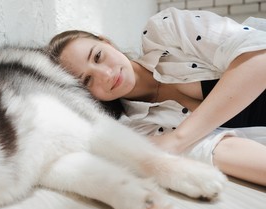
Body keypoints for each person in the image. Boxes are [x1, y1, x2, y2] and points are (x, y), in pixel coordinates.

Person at [47, 7, 266, 186]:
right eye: (87, 80)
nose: (105, 74)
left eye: (98, 56)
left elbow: (259, 58)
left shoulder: (166, 32)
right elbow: (222, 151)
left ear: (107, 42)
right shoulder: (140, 128)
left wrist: (177, 139)